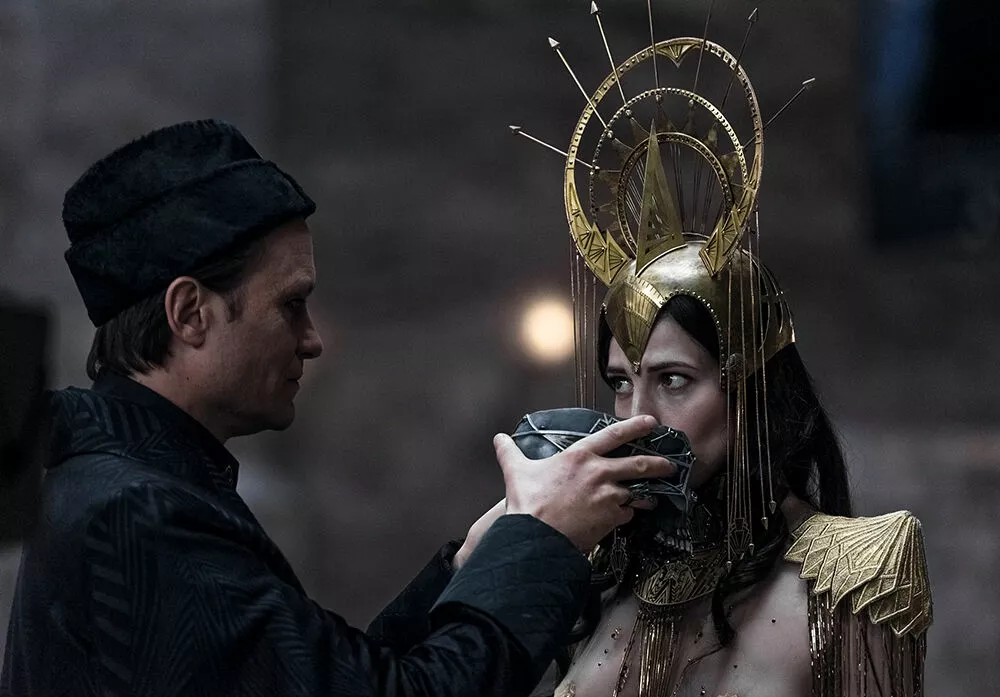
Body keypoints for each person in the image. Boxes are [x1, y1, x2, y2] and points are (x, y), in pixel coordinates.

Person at [0, 119, 678, 697]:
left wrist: (479, 563)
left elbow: (336, 678)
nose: (312, 339)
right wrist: (545, 540)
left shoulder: (125, 484)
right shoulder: (141, 513)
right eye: (290, 304)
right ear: (190, 313)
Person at [507, 14, 932, 697]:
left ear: (751, 384)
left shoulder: (851, 575)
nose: (638, 417)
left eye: (674, 380)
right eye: (620, 382)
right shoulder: (592, 569)